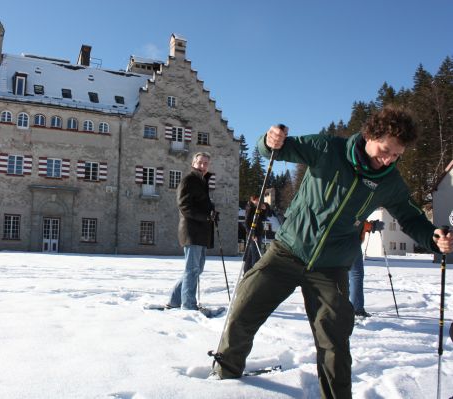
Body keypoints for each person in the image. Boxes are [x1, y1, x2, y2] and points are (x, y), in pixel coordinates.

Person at [211, 106, 453, 399]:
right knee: (244, 307)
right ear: (369, 135)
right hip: (287, 251)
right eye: (385, 150)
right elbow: (275, 149)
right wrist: (269, 139)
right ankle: (225, 375)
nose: (388, 159)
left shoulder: (389, 182)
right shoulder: (327, 149)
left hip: (332, 266)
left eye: (396, 155)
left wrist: (432, 236)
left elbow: (411, 217)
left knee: (334, 341)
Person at [167, 152, 216, 310]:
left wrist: (212, 214)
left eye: (206, 163)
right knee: (192, 269)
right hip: (191, 231)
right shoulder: (189, 180)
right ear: (194, 163)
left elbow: (200, 205)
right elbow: (184, 206)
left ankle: (175, 301)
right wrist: (205, 217)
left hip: (201, 232)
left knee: (196, 269)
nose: (203, 165)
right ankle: (188, 305)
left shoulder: (202, 181)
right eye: (200, 162)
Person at [349, 220, 383, 318]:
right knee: (356, 276)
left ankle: (341, 307)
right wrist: (372, 225)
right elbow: (356, 221)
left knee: (342, 275)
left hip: (334, 246)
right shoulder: (352, 207)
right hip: (350, 244)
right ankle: (357, 309)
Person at [243, 195, 267, 274]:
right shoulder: (250, 208)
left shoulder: (257, 208)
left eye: (259, 200)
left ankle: (247, 272)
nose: (258, 202)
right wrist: (252, 234)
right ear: (253, 200)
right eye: (257, 200)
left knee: (250, 255)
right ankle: (254, 273)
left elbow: (263, 218)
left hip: (258, 233)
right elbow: (247, 223)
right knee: (255, 255)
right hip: (253, 235)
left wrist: (263, 210)